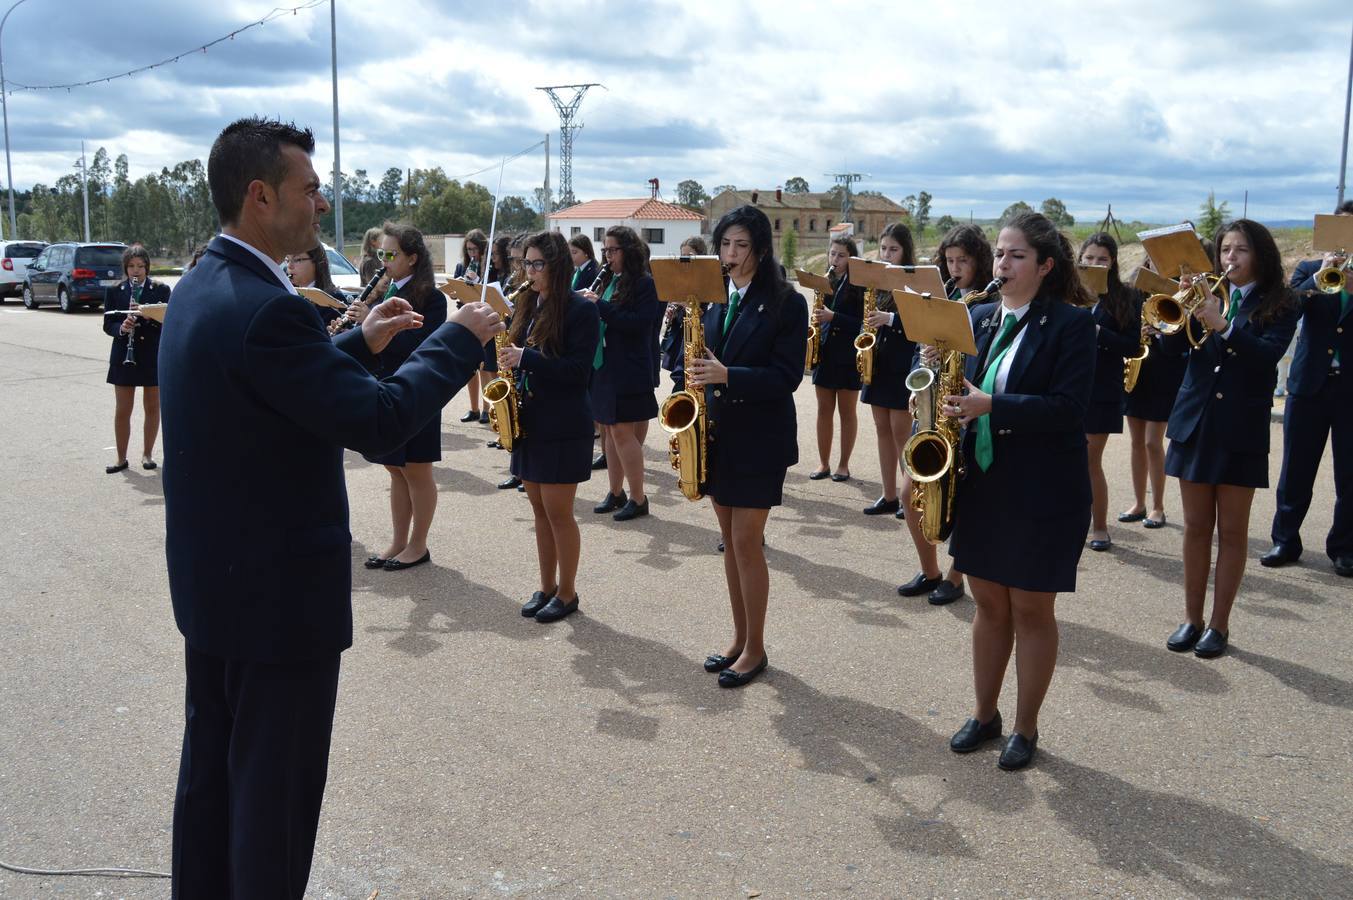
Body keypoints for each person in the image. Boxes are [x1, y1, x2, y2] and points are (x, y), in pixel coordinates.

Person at [159, 117, 500, 898]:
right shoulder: (267, 305)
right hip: (276, 607)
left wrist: (357, 344)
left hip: (218, 592)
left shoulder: (207, 284)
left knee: (212, 785)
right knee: (271, 811)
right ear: (259, 195)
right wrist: (458, 340)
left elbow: (261, 385)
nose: (321, 203)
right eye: (309, 189)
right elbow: (378, 422)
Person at [939, 212, 1096, 771]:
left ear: (1046, 266)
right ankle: (985, 715)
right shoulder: (976, 317)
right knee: (987, 603)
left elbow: (1070, 411)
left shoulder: (1073, 326)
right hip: (985, 481)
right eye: (1000, 254)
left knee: (1031, 609)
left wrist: (991, 406)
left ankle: (1025, 726)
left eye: (1016, 256)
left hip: (1044, 488)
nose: (1001, 264)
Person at [675, 205, 807, 688]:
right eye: (725, 245)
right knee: (731, 544)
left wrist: (728, 375)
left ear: (761, 249)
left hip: (761, 438)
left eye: (740, 246)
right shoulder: (711, 297)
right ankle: (739, 638)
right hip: (718, 434)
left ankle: (756, 649)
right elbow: (693, 359)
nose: (730, 255)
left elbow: (787, 376)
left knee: (748, 544)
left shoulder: (787, 303)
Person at [1162, 219, 1299, 658]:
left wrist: (1224, 325)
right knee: (1196, 528)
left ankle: (1219, 625)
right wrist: (1170, 320)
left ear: (1260, 254)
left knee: (1233, 532)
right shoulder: (1210, 295)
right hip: (1196, 422)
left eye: (1240, 250)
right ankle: (1191, 618)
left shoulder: (1282, 302)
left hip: (1240, 426)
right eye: (1224, 251)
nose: (1230, 259)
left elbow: (1265, 360)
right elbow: (1178, 353)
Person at [500, 231, 601, 622]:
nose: (530, 271)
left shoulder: (581, 310)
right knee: (538, 509)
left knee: (559, 511)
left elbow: (578, 373)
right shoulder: (526, 304)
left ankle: (568, 591)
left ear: (557, 266)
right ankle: (545, 585)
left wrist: (526, 358)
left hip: (563, 422)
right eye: (526, 263)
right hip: (531, 420)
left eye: (538, 263)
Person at [903, 224, 994, 605]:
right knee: (909, 494)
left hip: (964, 409)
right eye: (949, 260)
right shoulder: (942, 296)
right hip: (932, 406)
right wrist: (925, 357)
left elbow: (987, 358)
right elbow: (920, 351)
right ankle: (930, 569)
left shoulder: (987, 302)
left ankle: (956, 577)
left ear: (979, 262)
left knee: (960, 497)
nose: (955, 268)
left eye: (963, 261)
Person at [1264, 201, 1353, 576]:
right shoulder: (1308, 269)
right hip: (1308, 385)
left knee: (1350, 474)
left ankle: (1345, 547)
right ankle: (1286, 539)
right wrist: (1322, 277)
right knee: (1296, 468)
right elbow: (1288, 307)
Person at [360, 222, 449, 572]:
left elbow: (422, 347)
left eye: (391, 254)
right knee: (394, 468)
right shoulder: (385, 291)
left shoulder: (432, 298)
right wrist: (359, 330)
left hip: (418, 392)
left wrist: (374, 324)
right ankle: (398, 541)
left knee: (416, 470)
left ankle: (418, 544)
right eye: (381, 253)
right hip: (386, 386)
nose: (384, 261)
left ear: (412, 258)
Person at [587, 225, 662, 521]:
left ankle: (639, 497)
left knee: (621, 432)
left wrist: (600, 306)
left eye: (613, 250)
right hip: (605, 365)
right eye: (605, 250)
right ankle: (615, 492)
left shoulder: (645, 283)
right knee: (608, 431)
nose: (607, 256)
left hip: (629, 367)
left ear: (627, 251)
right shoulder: (610, 279)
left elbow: (640, 323)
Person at [1120, 255, 1191, 531]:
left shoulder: (1179, 293)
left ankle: (1158, 506)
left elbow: (1182, 335)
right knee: (1137, 441)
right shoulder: (1135, 295)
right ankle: (1139, 503)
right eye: (1151, 262)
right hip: (1139, 368)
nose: (1155, 267)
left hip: (1166, 371)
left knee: (1152, 442)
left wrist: (1160, 332)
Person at [1078, 233, 1140, 551]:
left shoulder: (1125, 297)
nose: (1094, 264)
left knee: (1090, 459)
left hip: (1102, 388)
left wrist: (1098, 332)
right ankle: (1065, 522)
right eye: (1089, 258)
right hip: (1067, 386)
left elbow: (1134, 345)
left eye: (1101, 259)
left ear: (1112, 262)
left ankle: (1099, 528)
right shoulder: (1068, 293)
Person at [860, 223, 919, 520]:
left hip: (901, 363)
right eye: (883, 248)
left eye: (893, 249)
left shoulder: (914, 280)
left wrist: (890, 318)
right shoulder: (878, 280)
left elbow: (920, 321)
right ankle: (889, 494)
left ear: (906, 251)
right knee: (882, 428)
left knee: (900, 431)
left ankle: (909, 495)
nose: (887, 254)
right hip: (880, 361)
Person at [103, 244, 172, 473]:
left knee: (152, 407)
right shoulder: (115, 291)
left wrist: (146, 315)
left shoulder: (160, 290)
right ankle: (121, 458)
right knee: (123, 409)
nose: (136, 271)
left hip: (151, 353)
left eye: (140, 266)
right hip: (124, 354)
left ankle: (147, 454)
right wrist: (122, 327)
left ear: (147, 267)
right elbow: (108, 324)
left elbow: (168, 322)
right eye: (131, 266)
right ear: (125, 268)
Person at [807, 236, 863, 481]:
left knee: (847, 412)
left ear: (851, 258)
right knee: (823, 411)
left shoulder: (860, 285)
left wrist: (833, 317)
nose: (835, 260)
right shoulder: (826, 282)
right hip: (825, 353)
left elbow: (863, 324)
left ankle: (844, 465)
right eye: (832, 254)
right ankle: (823, 463)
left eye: (841, 255)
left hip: (849, 356)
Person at [454, 228, 493, 424]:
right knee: (470, 367)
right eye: (468, 249)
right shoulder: (462, 266)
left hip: (482, 318)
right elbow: (457, 289)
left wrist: (476, 282)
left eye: (475, 249)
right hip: (465, 317)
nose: (472, 254)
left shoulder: (488, 267)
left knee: (484, 365)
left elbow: (490, 292)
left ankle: (487, 408)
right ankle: (474, 408)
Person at [661, 236, 708, 373]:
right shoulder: (682, 278)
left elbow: (706, 312)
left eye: (690, 256)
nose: (685, 260)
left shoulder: (707, 279)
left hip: (697, 338)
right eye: (683, 256)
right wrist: (673, 314)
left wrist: (686, 305)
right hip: (681, 335)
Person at [286, 244, 346, 327]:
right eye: (287, 260)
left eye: (297, 260)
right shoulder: (288, 294)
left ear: (317, 262)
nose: (289, 266)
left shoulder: (333, 298)